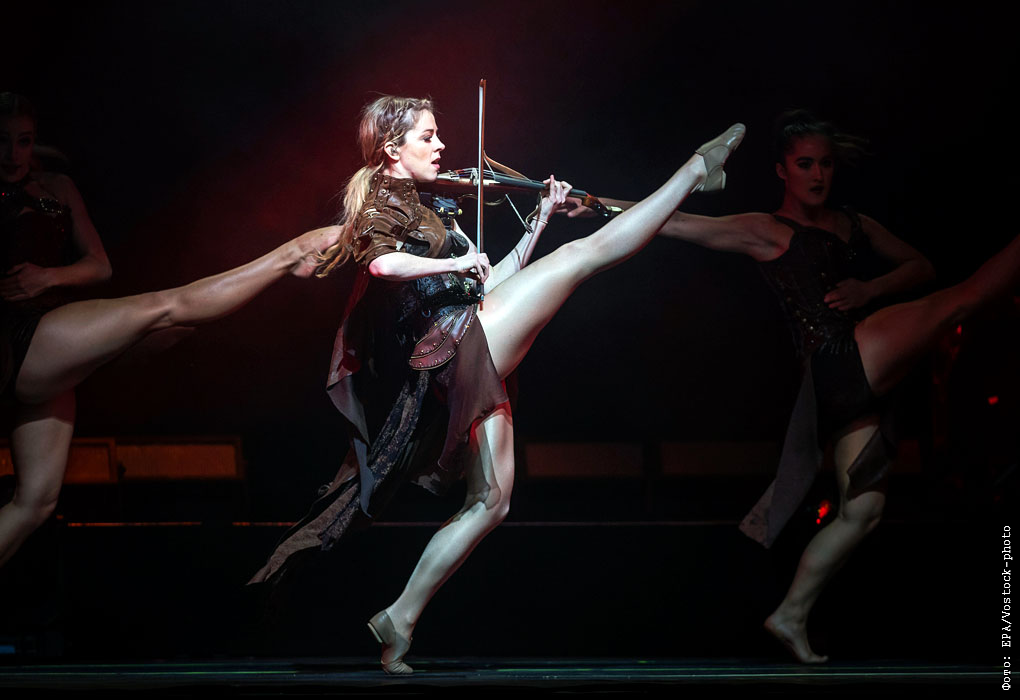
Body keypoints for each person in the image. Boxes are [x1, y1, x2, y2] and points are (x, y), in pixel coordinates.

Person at [249, 94, 746, 674]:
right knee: (584, 256)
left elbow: (493, 282)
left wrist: (536, 222)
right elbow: (383, 265)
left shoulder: (427, 207)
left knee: (492, 502)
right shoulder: (381, 201)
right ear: (392, 149)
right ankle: (694, 169)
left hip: (466, 336)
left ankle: (400, 619)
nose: (441, 145)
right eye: (428, 136)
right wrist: (454, 263)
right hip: (456, 345)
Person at [0, 93, 340, 669]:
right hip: (17, 341)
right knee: (164, 308)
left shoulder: (58, 187)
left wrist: (48, 276)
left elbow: (99, 266)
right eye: (0, 141)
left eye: (23, 140)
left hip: (52, 333)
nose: (13, 154)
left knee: (35, 501)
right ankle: (289, 254)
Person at [656, 109, 1020, 662]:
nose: (818, 175)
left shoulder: (853, 224)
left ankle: (791, 613)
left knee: (863, 511)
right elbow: (677, 223)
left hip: (848, 378)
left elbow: (920, 268)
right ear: (782, 171)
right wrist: (594, 205)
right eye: (805, 164)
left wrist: (870, 290)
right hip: (836, 360)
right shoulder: (767, 229)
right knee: (962, 301)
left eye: (826, 164)